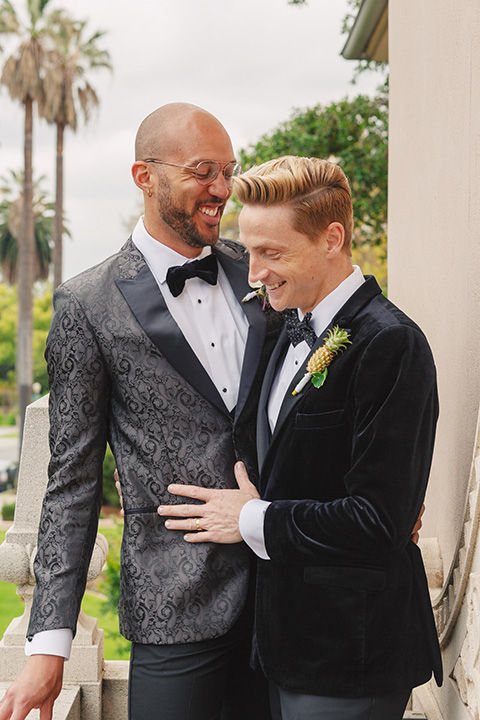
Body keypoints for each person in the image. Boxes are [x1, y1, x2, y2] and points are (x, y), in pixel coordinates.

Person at [0, 104, 280, 720]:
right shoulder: (86, 304)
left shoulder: (260, 269)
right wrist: (49, 645)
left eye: (228, 170)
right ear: (143, 176)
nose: (221, 190)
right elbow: (70, 482)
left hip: (289, 598)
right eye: (203, 171)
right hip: (175, 607)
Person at [157, 156, 443, 720]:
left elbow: (378, 522)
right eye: (250, 249)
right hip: (280, 645)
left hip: (349, 652)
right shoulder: (282, 326)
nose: (253, 270)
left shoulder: (392, 345)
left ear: (332, 238)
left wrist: (249, 519)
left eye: (272, 252)